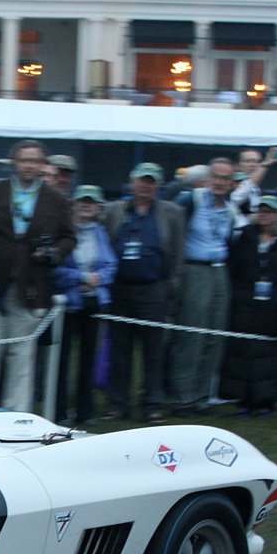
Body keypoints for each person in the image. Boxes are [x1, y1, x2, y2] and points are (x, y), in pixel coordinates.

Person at [0, 140, 75, 411]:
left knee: (21, 355)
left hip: (32, 286)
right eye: (24, 160)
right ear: (14, 162)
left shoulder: (55, 199)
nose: (29, 165)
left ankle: (15, 415)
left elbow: (69, 238)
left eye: (34, 160)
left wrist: (52, 253)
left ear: (42, 164)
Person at [101, 162, 181, 421]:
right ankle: (119, 404)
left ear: (158, 185)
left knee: (154, 351)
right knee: (119, 351)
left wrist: (172, 288)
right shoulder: (114, 210)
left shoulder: (172, 213)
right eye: (142, 180)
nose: (146, 185)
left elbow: (178, 254)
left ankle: (153, 404)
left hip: (154, 289)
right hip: (120, 289)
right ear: (132, 182)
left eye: (152, 181)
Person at [170, 157, 243, 415]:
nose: (220, 182)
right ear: (208, 177)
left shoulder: (232, 208)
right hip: (195, 269)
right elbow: (174, 231)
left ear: (232, 183)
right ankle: (182, 398)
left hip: (219, 270)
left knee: (215, 336)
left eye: (226, 178)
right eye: (216, 176)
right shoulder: (191, 199)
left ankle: (202, 397)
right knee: (192, 336)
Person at [220, 196, 277, 417]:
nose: (264, 214)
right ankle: (244, 401)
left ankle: (266, 401)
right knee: (242, 355)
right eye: (261, 210)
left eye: (269, 211)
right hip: (245, 305)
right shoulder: (243, 238)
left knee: (269, 358)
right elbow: (233, 270)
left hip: (273, 307)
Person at [53, 185, 116, 425]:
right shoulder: (62, 232)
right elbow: (55, 269)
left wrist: (96, 280)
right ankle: (59, 412)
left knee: (88, 360)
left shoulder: (100, 232)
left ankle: (85, 412)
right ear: (74, 204)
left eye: (91, 202)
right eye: (82, 201)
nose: (86, 205)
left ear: (99, 207)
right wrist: (81, 278)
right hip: (67, 305)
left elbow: (111, 265)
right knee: (61, 361)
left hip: (94, 302)